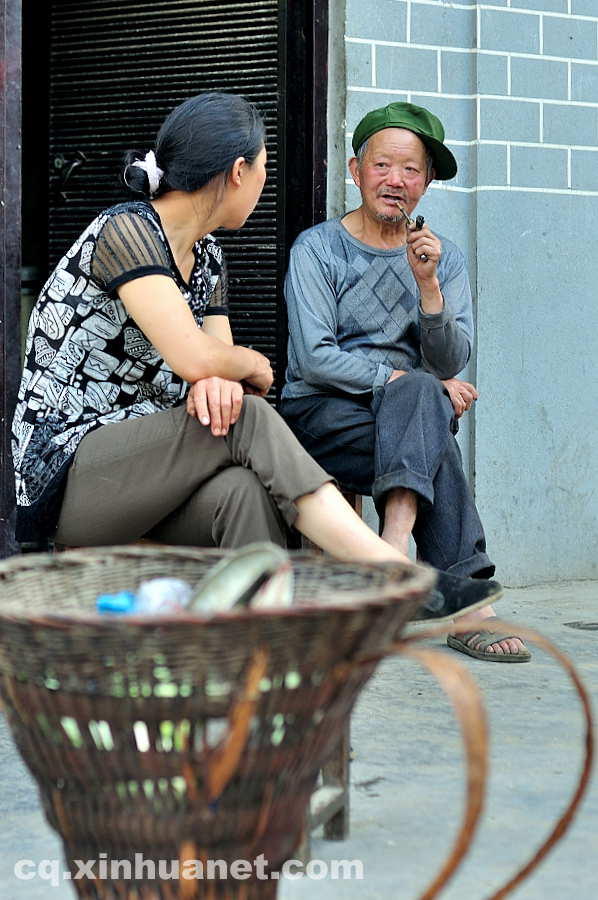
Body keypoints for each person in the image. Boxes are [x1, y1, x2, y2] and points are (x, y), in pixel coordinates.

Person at [12, 92, 501, 623]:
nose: (266, 181)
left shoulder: (207, 257)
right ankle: (388, 572)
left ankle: (266, 642)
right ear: (238, 172)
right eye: (265, 167)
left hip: (155, 464)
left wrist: (221, 373)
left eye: (410, 169)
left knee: (245, 488)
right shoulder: (127, 230)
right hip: (70, 472)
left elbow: (216, 369)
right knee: (251, 417)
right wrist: (242, 366)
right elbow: (201, 356)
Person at [281, 101, 530, 661]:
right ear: (356, 171)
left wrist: (429, 289)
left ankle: (390, 554)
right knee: (425, 411)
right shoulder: (318, 250)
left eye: (411, 170)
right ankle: (468, 608)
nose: (396, 181)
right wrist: (400, 379)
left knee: (421, 399)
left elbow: (450, 361)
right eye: (382, 166)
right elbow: (316, 359)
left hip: (404, 422)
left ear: (428, 181)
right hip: (324, 416)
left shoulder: (443, 259)